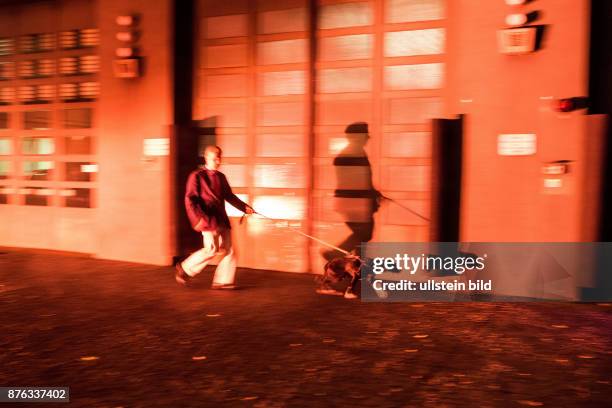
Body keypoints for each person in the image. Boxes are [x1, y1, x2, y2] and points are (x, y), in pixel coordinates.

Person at [175, 145, 253, 289]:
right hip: (207, 219)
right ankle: (185, 268)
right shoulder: (196, 176)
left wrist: (244, 207)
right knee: (211, 249)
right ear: (206, 158)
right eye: (214, 158)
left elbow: (229, 196)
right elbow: (190, 199)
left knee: (230, 250)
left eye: (219, 158)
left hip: (221, 218)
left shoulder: (221, 177)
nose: (218, 161)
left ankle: (222, 281)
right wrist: (199, 219)